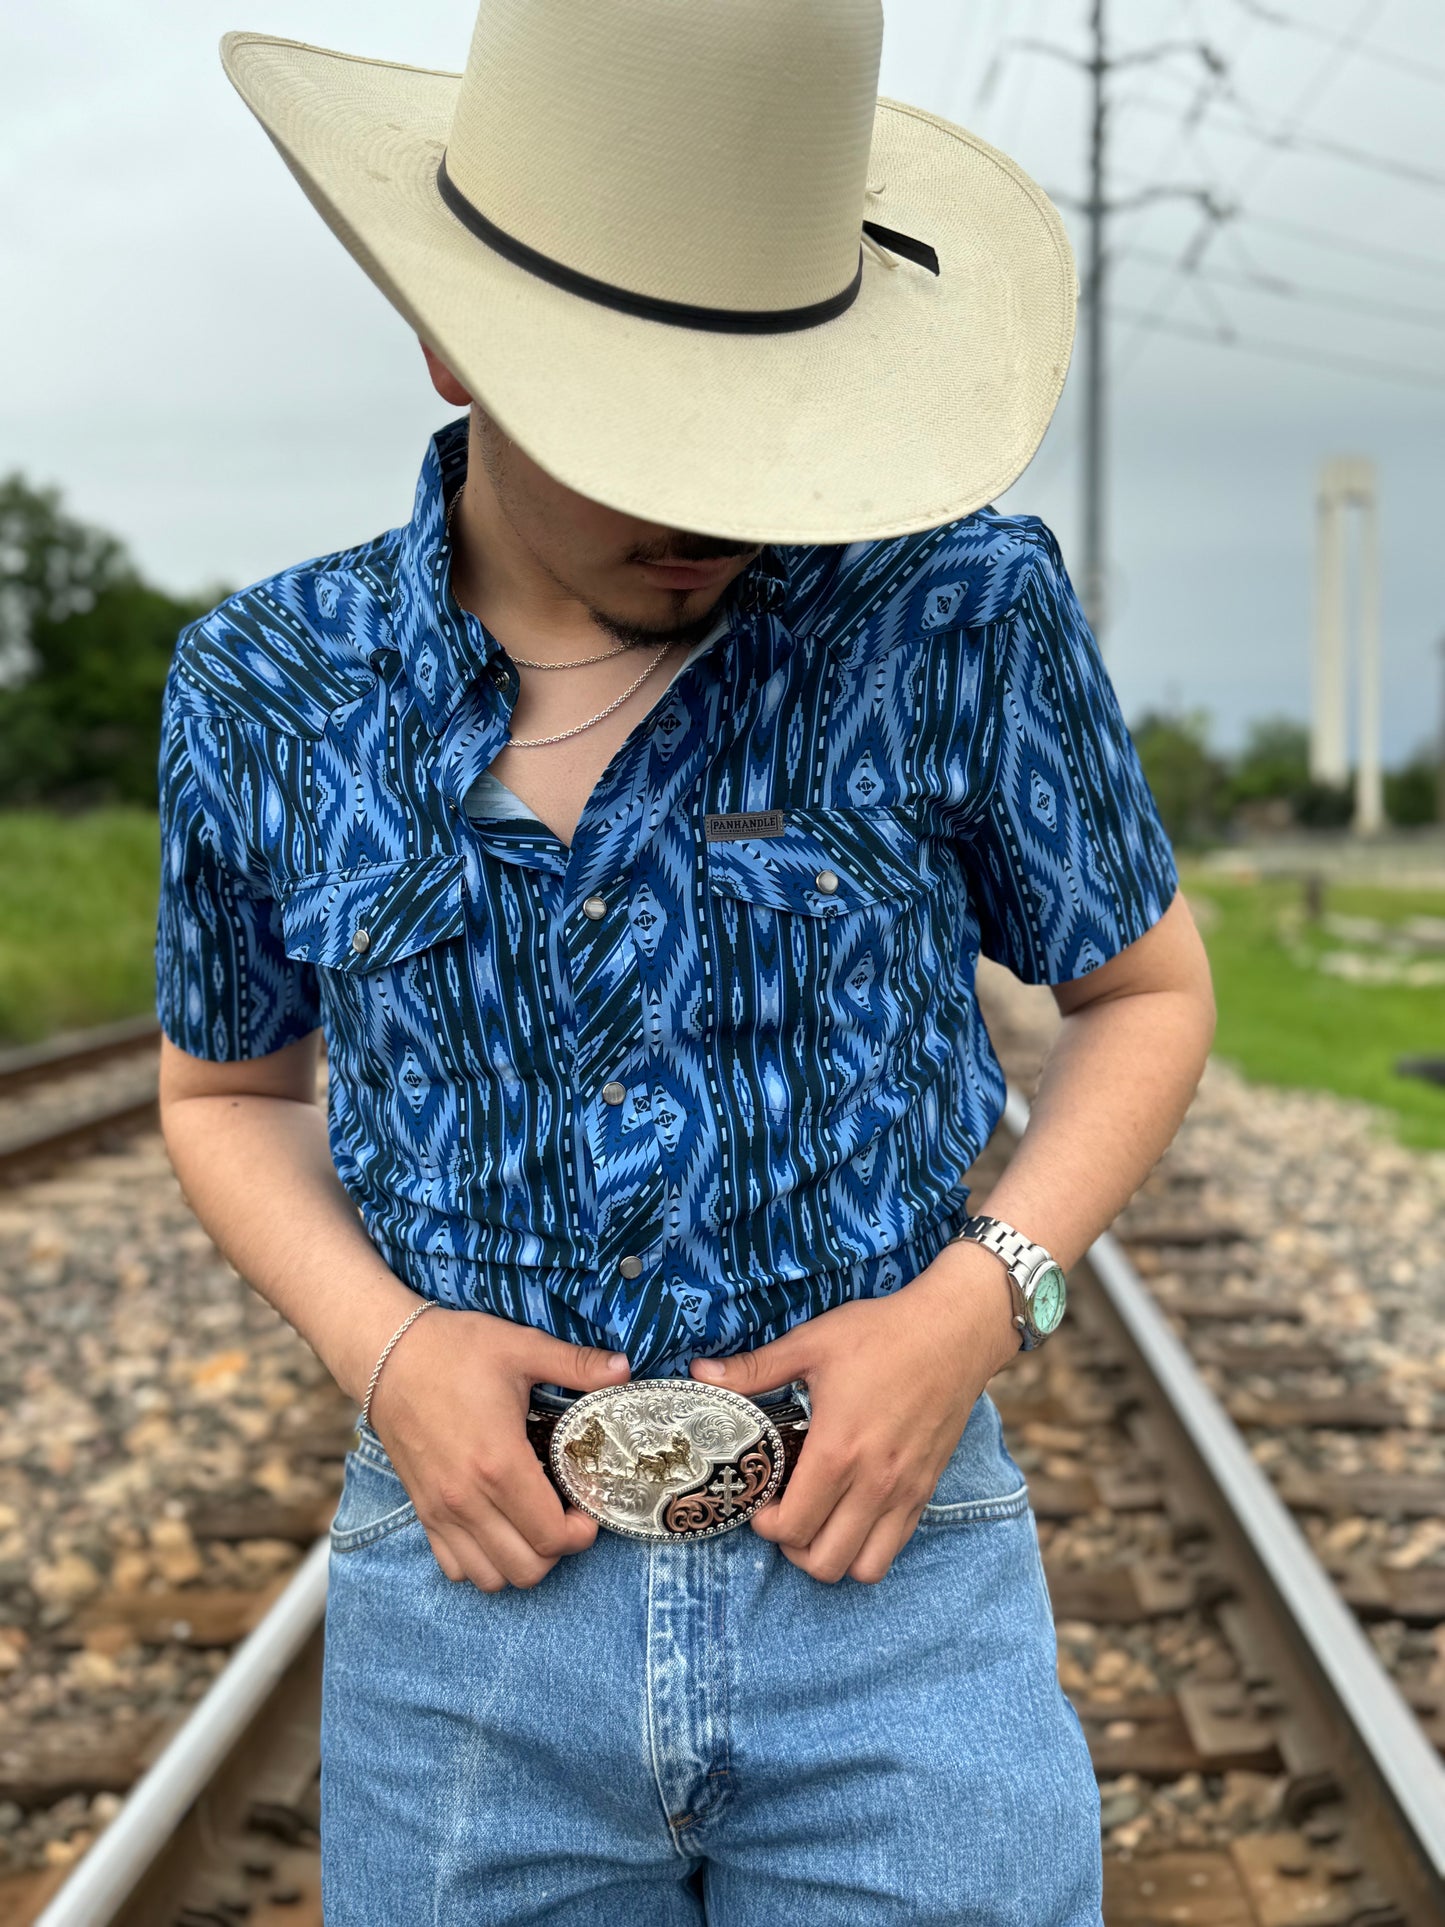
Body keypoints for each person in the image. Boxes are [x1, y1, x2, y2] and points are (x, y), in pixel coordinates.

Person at [154, 3, 1216, 1921]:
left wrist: (983, 1304)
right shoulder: (268, 687)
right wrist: (385, 1352)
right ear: (449, 338)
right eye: (642, 422)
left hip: (892, 1586)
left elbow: (1143, 993)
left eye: (759, 419)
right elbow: (224, 1091)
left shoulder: (956, 608)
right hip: (470, 1610)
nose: (716, 499)